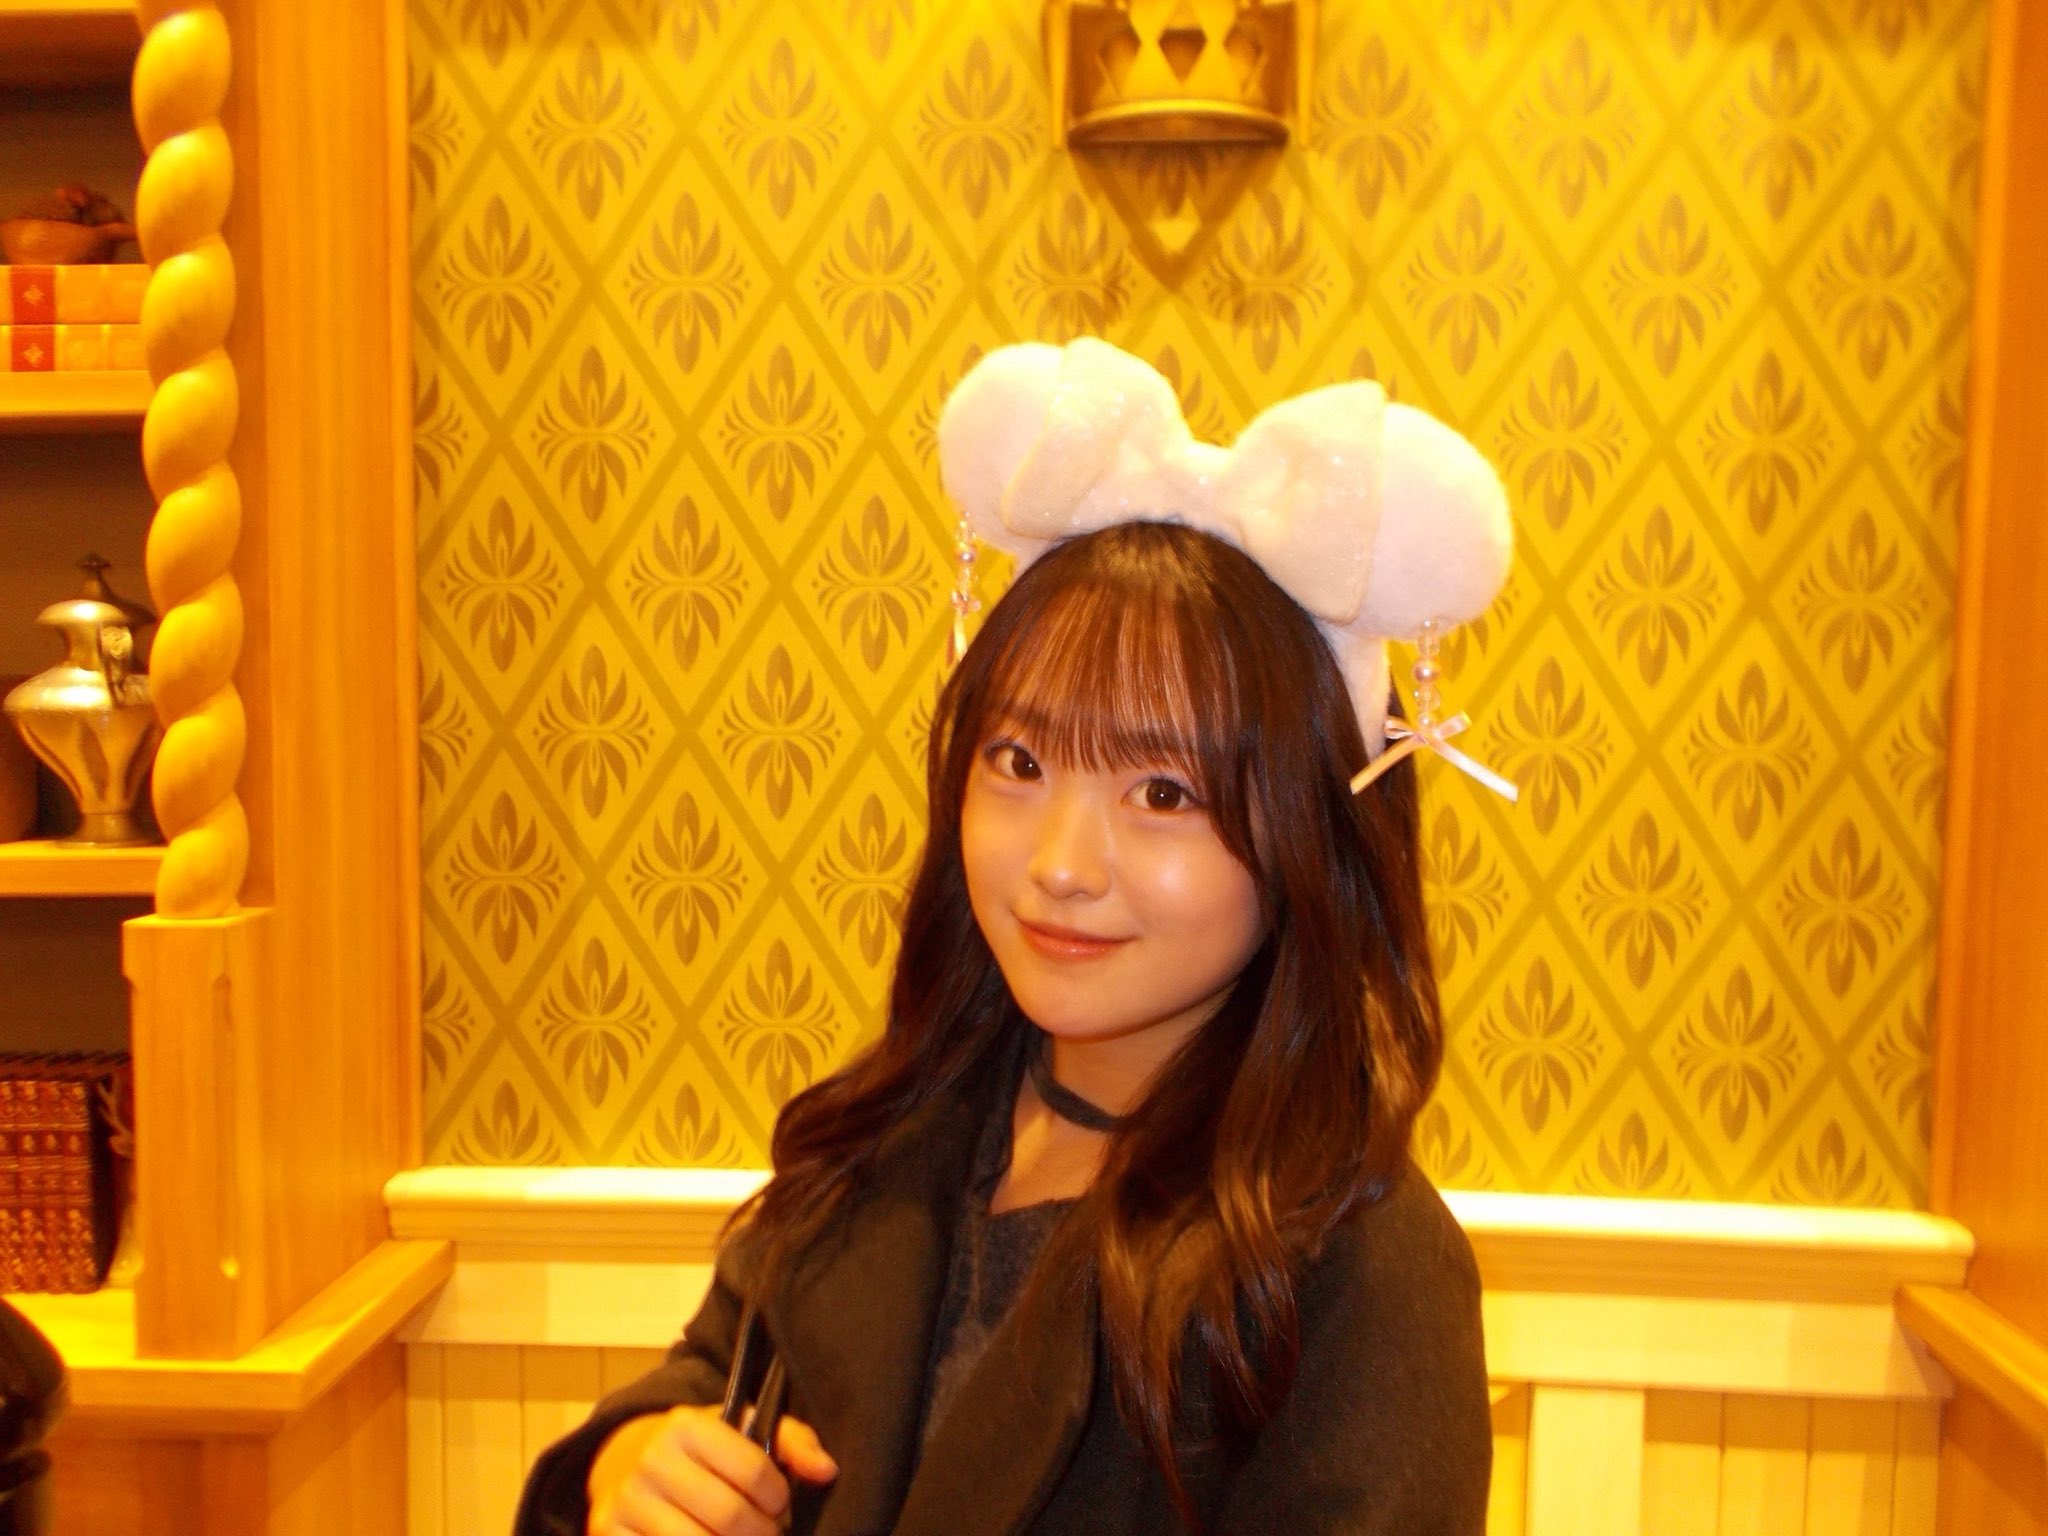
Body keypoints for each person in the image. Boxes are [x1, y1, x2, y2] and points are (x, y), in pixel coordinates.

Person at [514, 337, 1516, 1536]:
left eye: (1162, 793)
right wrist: (625, 1463)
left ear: (1310, 835)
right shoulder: (888, 1135)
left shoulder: (1355, 1271)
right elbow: (713, 1379)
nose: (1058, 865)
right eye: (1019, 762)